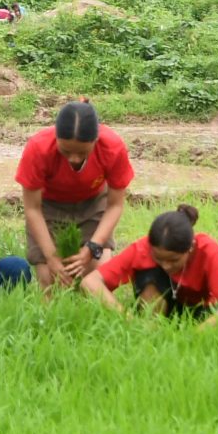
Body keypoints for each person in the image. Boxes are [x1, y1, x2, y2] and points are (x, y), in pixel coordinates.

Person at [18, 100, 134, 293]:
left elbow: (114, 205)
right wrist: (51, 257)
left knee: (94, 280)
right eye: (66, 150)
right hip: (48, 206)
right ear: (56, 138)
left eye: (82, 152)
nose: (74, 158)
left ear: (95, 141)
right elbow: (32, 208)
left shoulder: (112, 147)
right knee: (50, 280)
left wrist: (92, 247)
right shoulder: (39, 148)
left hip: (93, 203)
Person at [84, 204, 218, 325]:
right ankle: (149, 330)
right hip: (154, 312)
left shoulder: (209, 251)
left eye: (173, 260)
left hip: (198, 312)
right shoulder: (142, 248)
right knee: (151, 278)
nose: (166, 265)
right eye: (158, 258)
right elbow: (89, 282)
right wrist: (127, 318)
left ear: (190, 247)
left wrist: (192, 337)